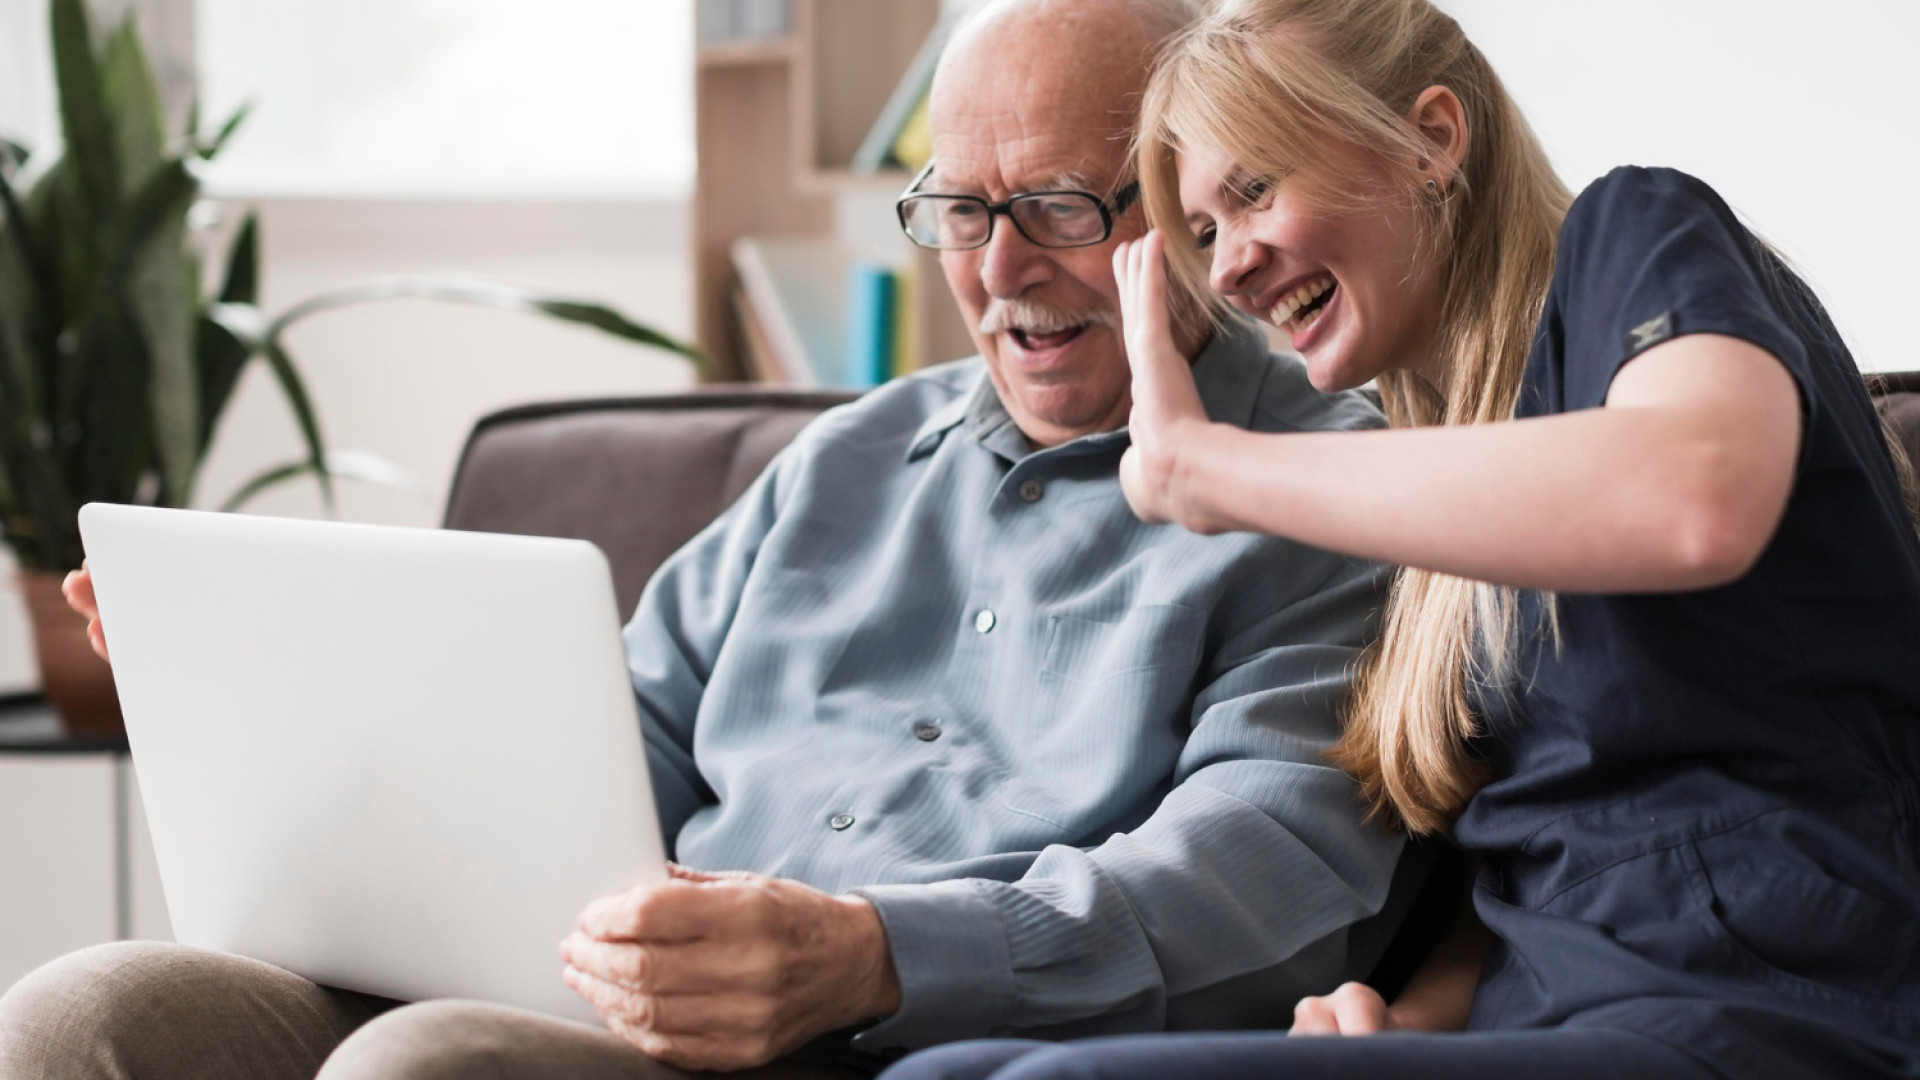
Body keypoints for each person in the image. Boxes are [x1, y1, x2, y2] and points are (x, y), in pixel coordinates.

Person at [0, 2, 1430, 1078]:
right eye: (959, 210)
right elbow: (594, 751)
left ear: (1187, 206)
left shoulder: (1321, 492)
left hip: (877, 1041)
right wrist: (250, 715)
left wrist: (869, 957)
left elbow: (1264, 875)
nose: (997, 271)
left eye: (1058, 205)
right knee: (85, 1016)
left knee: (418, 1068)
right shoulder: (849, 461)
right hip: (606, 987)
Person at [875, 1, 1920, 1079]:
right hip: (1551, 1018)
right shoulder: (1439, 472)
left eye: (1253, 190)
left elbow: (1697, 493)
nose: (1227, 267)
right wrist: (1411, 1021)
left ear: (1432, 137)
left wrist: (1202, 466)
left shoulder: (1638, 233)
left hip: (1768, 1004)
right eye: (1199, 235)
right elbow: (1537, 858)